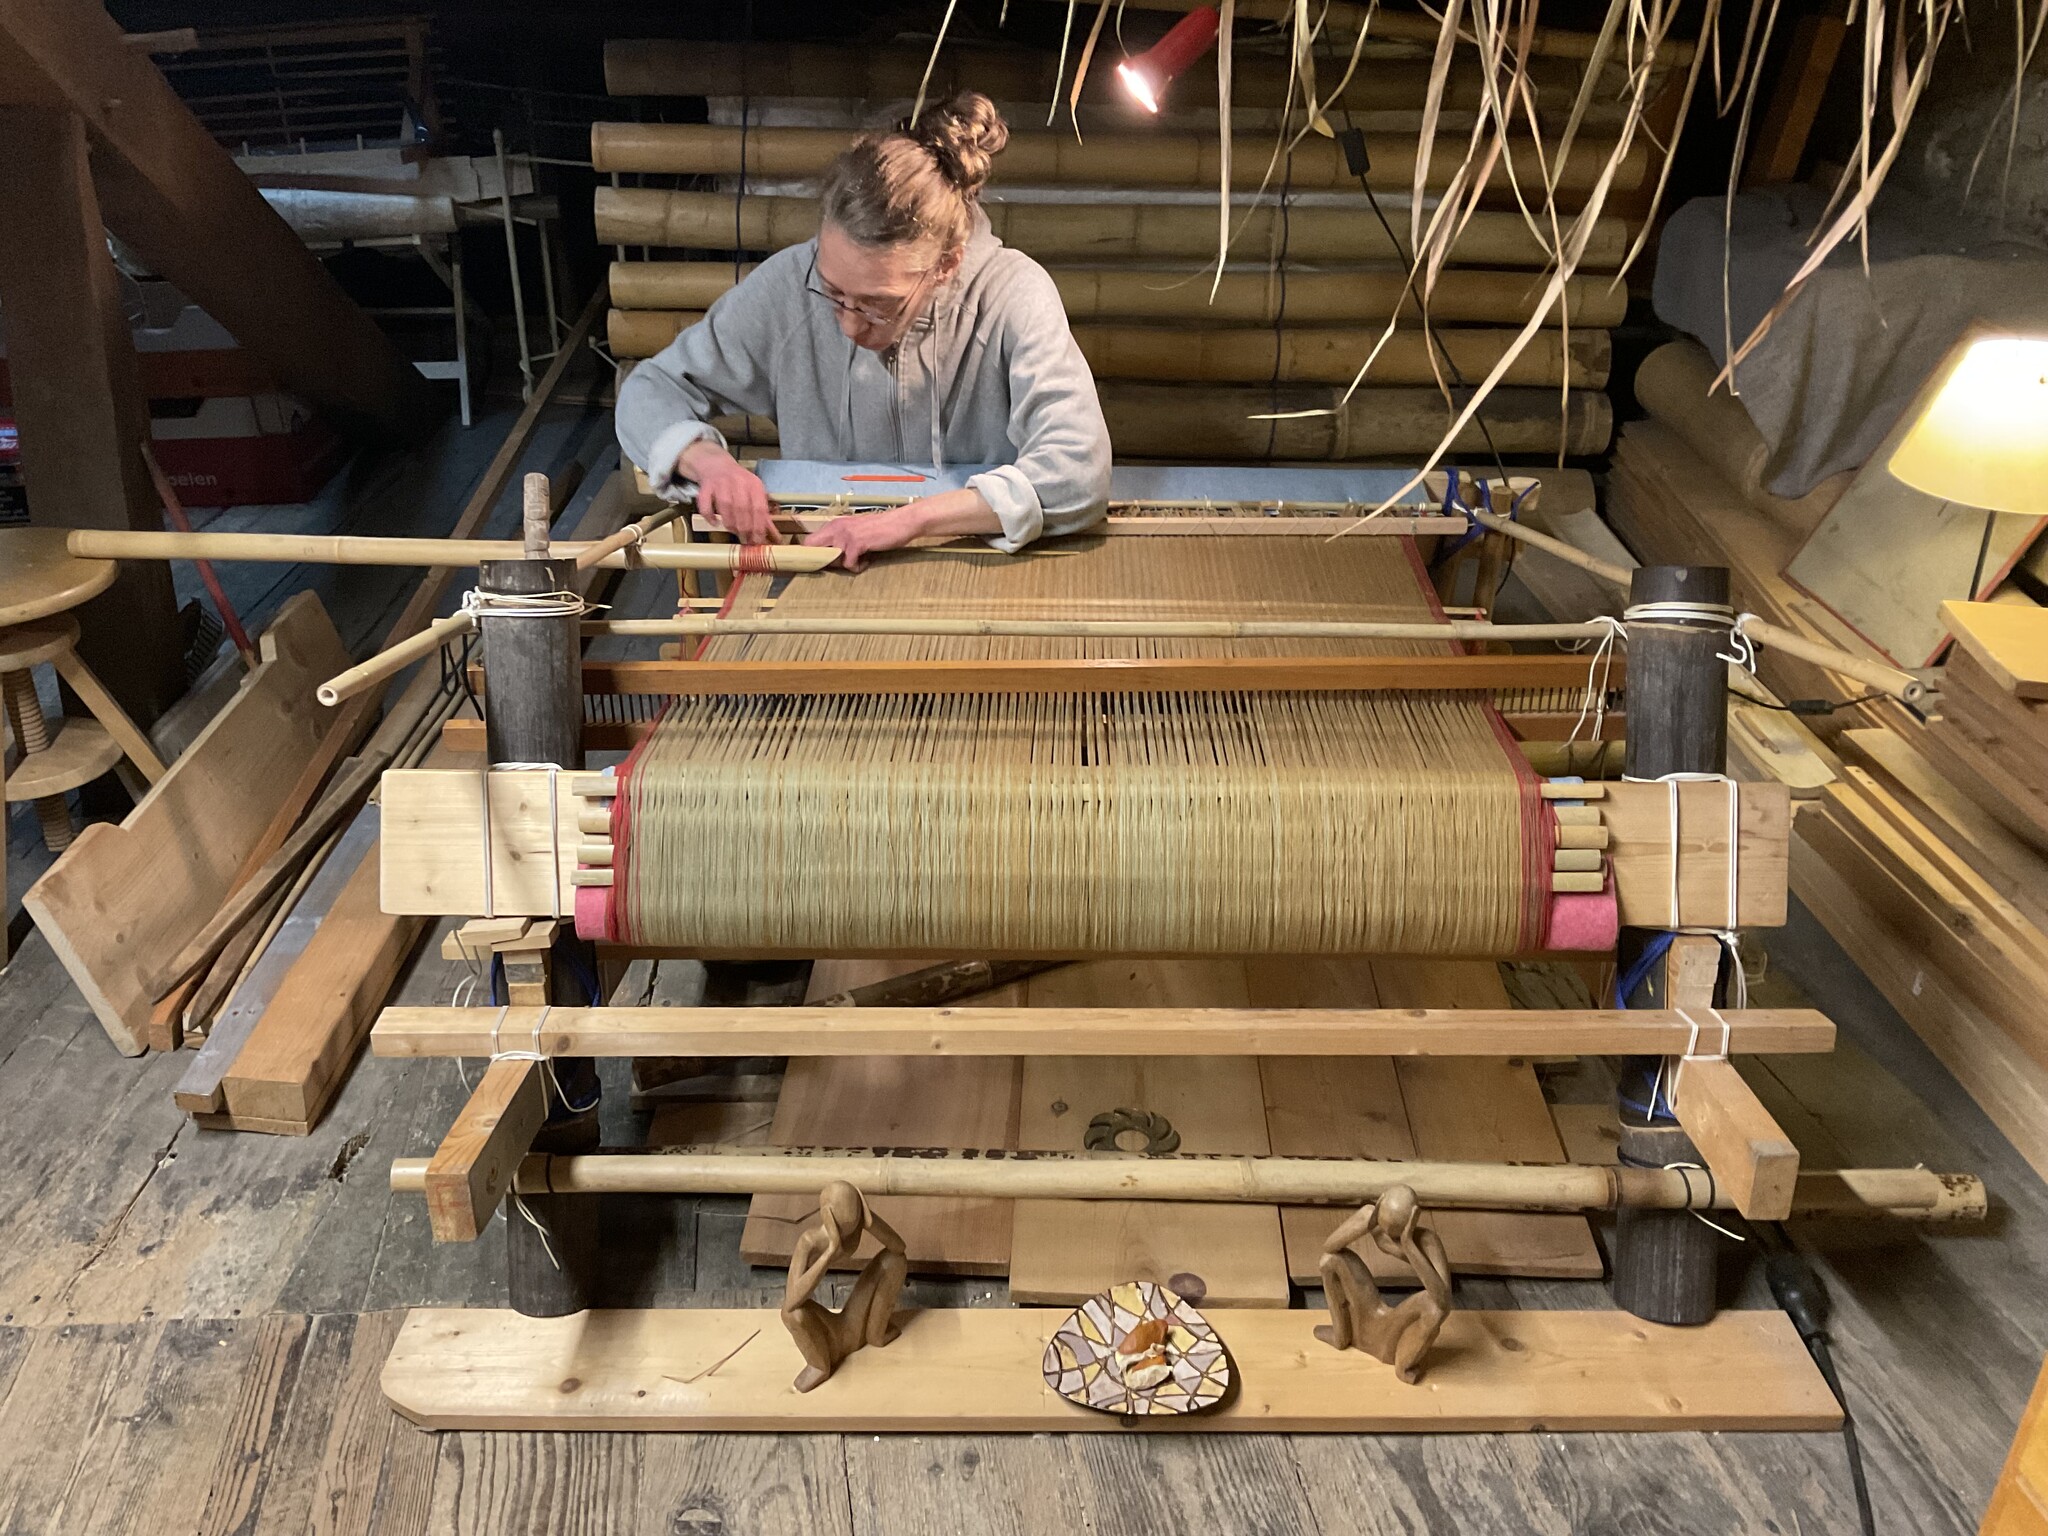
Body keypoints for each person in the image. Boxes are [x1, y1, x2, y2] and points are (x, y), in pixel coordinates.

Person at [614, 92, 1112, 569]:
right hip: (827, 560)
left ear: (946, 264)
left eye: (879, 305)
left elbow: (1078, 473)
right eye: (833, 292)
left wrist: (909, 522)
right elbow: (650, 390)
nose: (850, 324)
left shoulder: (1011, 294)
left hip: (978, 559)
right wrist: (708, 463)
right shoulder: (791, 281)